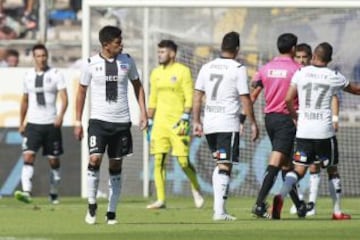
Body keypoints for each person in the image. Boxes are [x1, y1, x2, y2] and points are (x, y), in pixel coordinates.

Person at [272, 42, 358, 220]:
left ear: (313, 57)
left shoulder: (301, 73)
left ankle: (280, 196)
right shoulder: (333, 76)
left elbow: (288, 99)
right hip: (324, 132)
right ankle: (337, 211)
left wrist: (295, 116)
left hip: (304, 131)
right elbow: (356, 90)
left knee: (298, 171)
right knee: (332, 170)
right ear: (329, 59)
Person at [74, 25, 147, 225]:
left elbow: (138, 86)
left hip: (122, 123)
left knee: (115, 164)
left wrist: (144, 112)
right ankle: (91, 204)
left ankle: (112, 212)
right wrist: (77, 121)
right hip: (98, 122)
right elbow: (81, 92)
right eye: (117, 42)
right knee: (95, 158)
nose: (121, 45)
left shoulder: (127, 61)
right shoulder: (90, 64)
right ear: (106, 45)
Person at [193, 31, 259, 221]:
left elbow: (197, 96)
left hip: (209, 123)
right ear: (237, 49)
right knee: (225, 165)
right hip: (227, 122)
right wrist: (252, 122)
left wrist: (197, 121)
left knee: (221, 164)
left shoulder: (207, 67)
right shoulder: (237, 68)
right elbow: (245, 98)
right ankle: (219, 213)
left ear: (222, 47)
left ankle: (218, 209)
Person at [290, 43, 349, 219]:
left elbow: (333, 98)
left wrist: (336, 118)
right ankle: (301, 202)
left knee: (308, 167)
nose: (301, 60)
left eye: (304, 57)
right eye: (298, 57)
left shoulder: (301, 73)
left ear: (312, 57)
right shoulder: (326, 75)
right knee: (320, 168)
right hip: (315, 128)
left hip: (303, 126)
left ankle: (310, 204)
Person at [250, 33, 306, 218]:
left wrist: (248, 120)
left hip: (269, 118)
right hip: (286, 119)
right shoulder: (297, 70)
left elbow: (253, 90)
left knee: (286, 165)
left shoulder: (265, 68)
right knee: (276, 162)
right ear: (293, 49)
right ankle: (259, 204)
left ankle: (299, 205)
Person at [146, 40, 204, 209]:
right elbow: (153, 98)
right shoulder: (155, 73)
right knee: (158, 160)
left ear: (172, 53)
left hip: (179, 124)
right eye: (158, 52)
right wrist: (149, 119)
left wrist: (186, 116)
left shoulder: (182, 71)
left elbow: (189, 96)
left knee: (183, 161)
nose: (159, 55)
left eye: (162, 52)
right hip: (159, 124)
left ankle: (196, 188)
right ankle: (161, 199)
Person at [15, 44, 68, 205]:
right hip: (33, 124)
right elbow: (24, 100)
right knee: (28, 156)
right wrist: (21, 122)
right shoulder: (27, 76)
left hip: (51, 124)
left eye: (44, 55)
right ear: (34, 57)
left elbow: (64, 97)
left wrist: (60, 115)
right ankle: (26, 192)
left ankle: (53, 192)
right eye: (38, 56)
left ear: (47, 56)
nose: (42, 58)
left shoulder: (56, 74)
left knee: (54, 161)